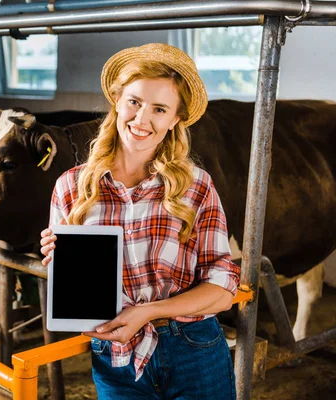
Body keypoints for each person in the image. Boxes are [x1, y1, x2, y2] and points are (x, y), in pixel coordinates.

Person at [40, 43, 241, 400]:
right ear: (116, 99)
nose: (141, 119)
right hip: (115, 355)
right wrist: (58, 259)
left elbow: (223, 289)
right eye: (134, 101)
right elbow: (72, 290)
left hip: (192, 348)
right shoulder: (71, 187)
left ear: (175, 119)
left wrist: (148, 312)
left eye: (159, 109)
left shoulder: (195, 186)